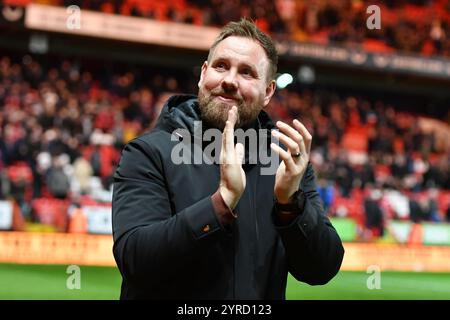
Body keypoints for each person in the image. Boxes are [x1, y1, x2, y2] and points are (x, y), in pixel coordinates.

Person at [112, 18, 344, 300]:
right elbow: (136, 261)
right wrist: (221, 203)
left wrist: (290, 204)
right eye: (221, 66)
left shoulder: (285, 162)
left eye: (247, 73)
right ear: (203, 74)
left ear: (268, 91)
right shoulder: (148, 152)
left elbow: (321, 270)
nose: (230, 81)